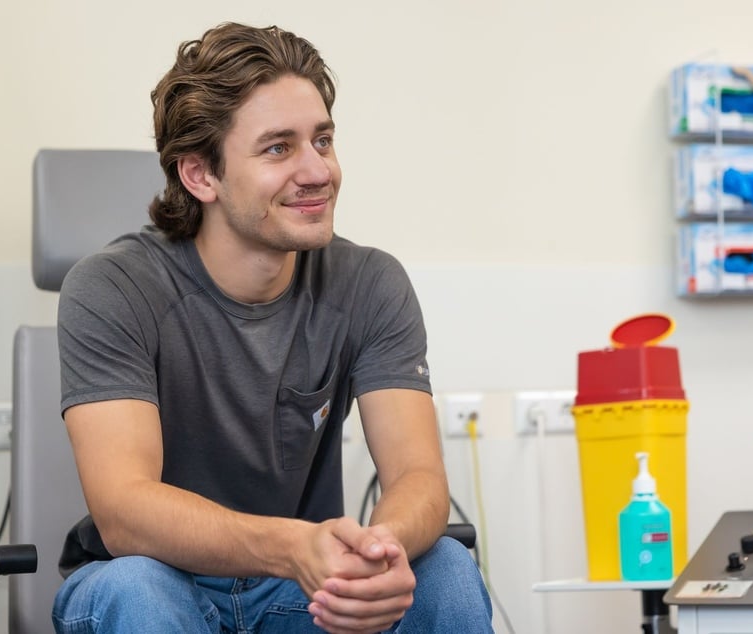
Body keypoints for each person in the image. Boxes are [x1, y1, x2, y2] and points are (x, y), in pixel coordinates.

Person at [52, 21, 493, 634]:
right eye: (278, 148)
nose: (318, 171)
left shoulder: (368, 282)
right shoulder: (112, 288)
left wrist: (378, 553)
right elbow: (125, 511)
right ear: (200, 175)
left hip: (301, 593)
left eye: (323, 141)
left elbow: (419, 477)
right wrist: (292, 546)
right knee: (135, 589)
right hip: (160, 582)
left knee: (442, 566)